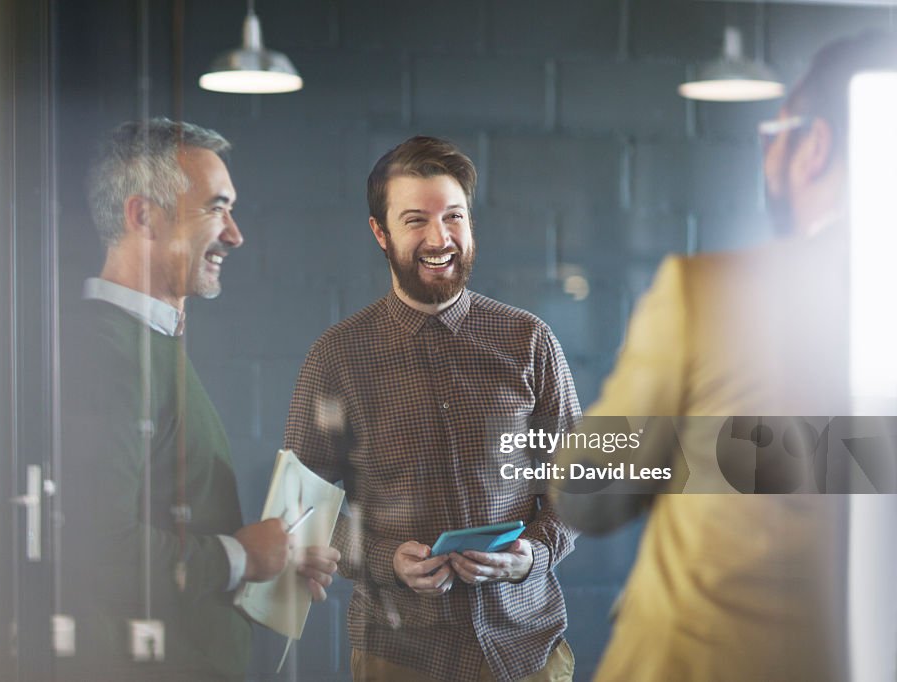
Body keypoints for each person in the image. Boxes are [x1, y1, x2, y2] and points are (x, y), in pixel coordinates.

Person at [550, 32, 897, 682]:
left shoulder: (706, 294)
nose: (769, 160)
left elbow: (587, 492)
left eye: (777, 136)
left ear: (815, 146)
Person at [284, 136, 581, 682]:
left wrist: (531, 556)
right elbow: (301, 512)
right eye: (415, 219)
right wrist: (384, 560)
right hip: (399, 658)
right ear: (381, 233)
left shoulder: (529, 342)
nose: (439, 238)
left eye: (454, 217)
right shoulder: (338, 357)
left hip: (526, 652)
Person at [60, 118, 339, 681]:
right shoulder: (106, 351)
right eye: (216, 208)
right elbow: (97, 546)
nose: (235, 234)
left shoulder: (149, 341)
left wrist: (270, 560)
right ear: (143, 216)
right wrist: (240, 557)